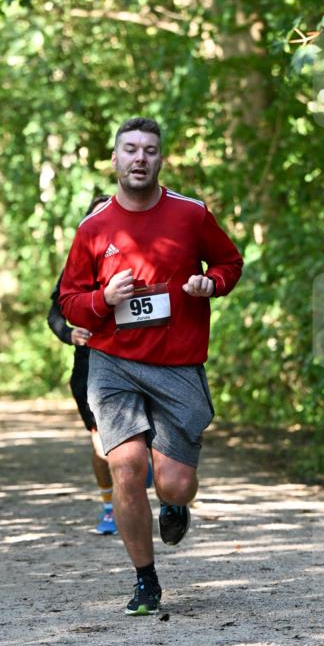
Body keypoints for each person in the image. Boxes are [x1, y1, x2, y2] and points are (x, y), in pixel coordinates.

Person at [59, 117, 243, 615]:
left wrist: (212, 284)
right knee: (125, 466)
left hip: (178, 363)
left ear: (161, 160)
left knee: (174, 482)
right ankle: (145, 580)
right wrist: (103, 298)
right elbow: (68, 301)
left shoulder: (191, 215)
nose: (140, 158)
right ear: (115, 160)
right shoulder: (93, 228)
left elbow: (229, 262)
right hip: (113, 362)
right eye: (130, 150)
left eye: (150, 150)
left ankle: (177, 504)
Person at [48, 195, 118, 535]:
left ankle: (143, 470)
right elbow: (55, 313)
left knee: (137, 444)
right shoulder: (76, 265)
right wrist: (68, 332)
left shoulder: (136, 257)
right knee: (101, 443)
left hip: (139, 361)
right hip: (89, 367)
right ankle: (109, 507)